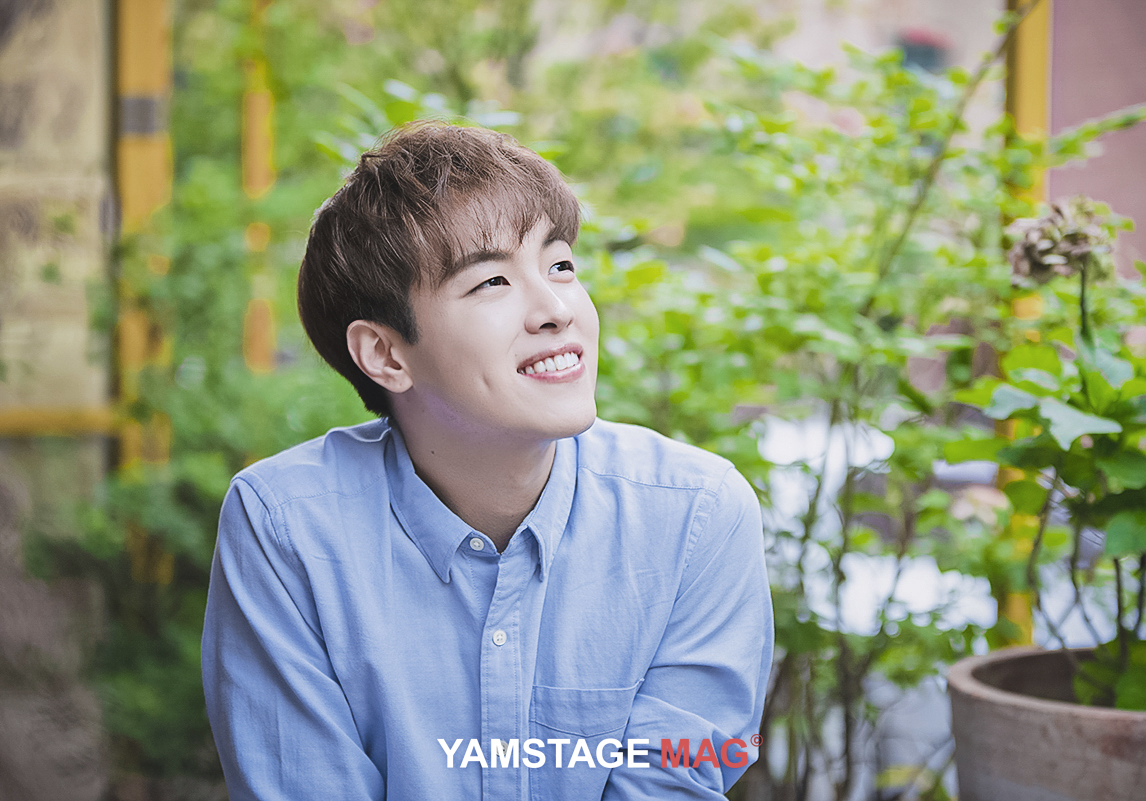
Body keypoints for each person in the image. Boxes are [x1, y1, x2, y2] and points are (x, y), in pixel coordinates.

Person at [201, 120, 773, 801]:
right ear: (385, 354)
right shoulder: (286, 528)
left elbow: (674, 779)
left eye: (560, 265)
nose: (556, 308)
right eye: (493, 281)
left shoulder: (697, 514)